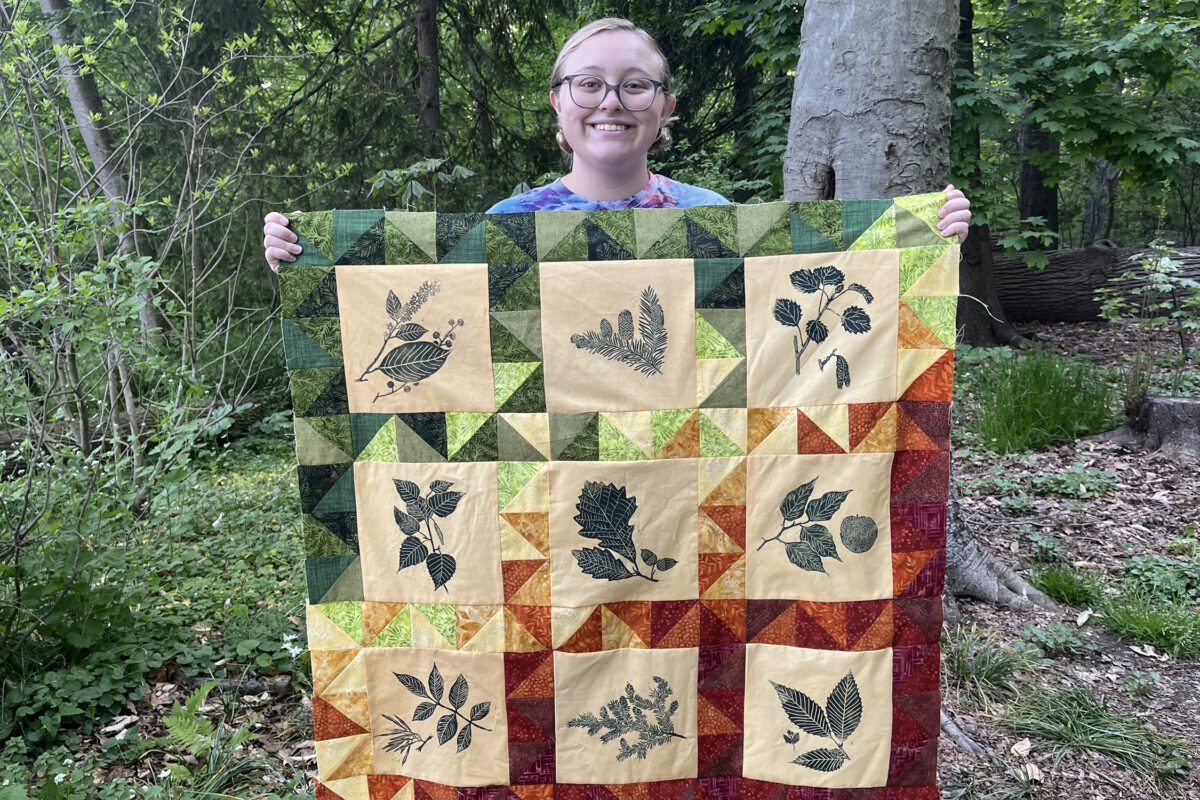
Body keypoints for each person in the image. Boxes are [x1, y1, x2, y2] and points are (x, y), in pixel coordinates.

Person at [263, 17, 970, 269]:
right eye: (589, 84)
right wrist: (311, 262)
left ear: (665, 108)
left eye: (636, 86)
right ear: (558, 103)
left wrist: (916, 241)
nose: (611, 102)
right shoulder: (512, 223)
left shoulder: (712, 215)